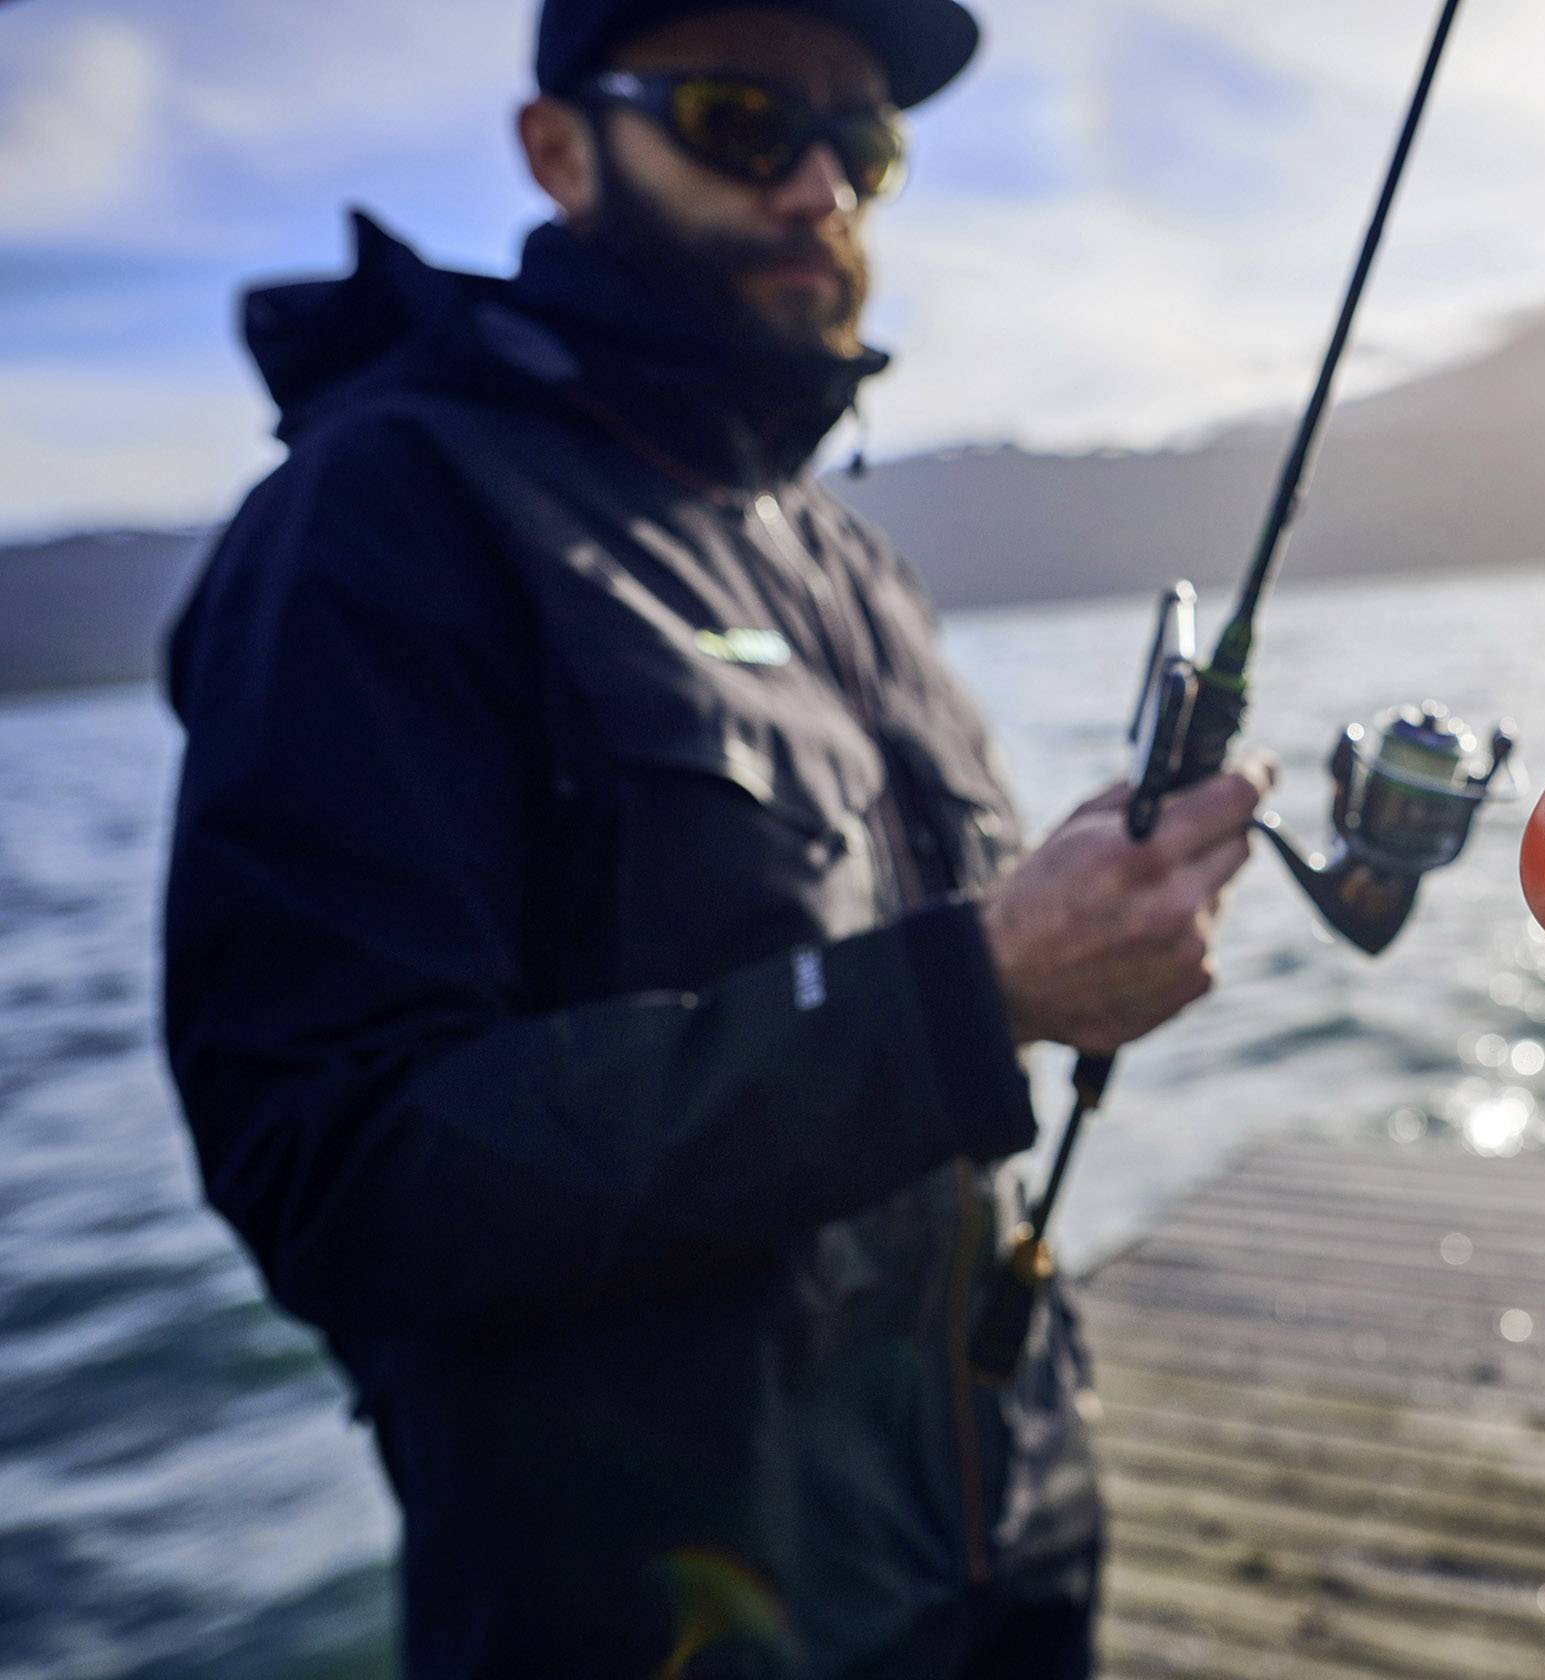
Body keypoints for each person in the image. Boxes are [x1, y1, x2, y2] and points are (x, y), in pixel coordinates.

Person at [156, 1, 1275, 1673]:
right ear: (561, 149)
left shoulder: (844, 557)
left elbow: (906, 981)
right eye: (745, 120)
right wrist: (973, 989)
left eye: (865, 142)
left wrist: (1068, 915)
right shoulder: (386, 514)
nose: (821, 182)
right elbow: (341, 1168)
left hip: (1002, 1547)